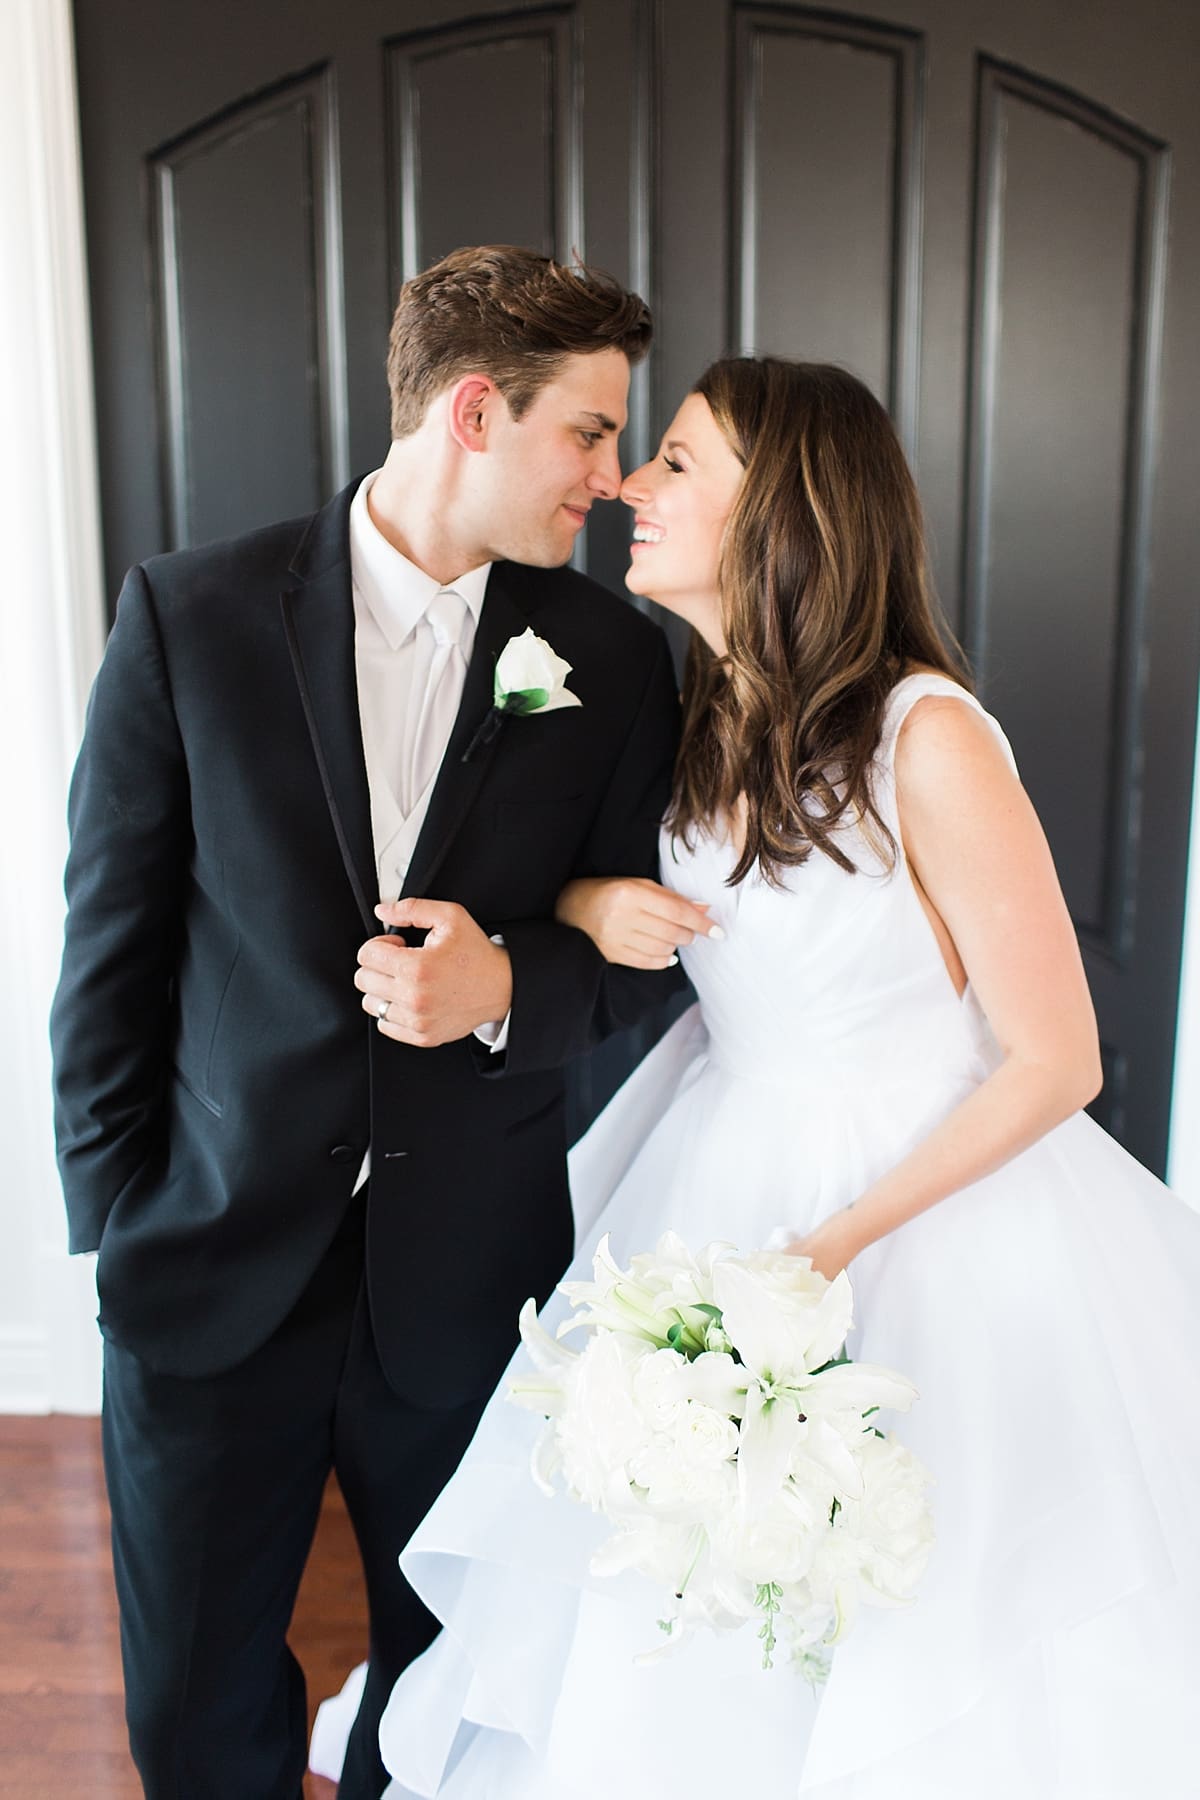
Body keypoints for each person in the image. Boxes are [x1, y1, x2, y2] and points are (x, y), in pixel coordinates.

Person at [353, 358, 1200, 1798]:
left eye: (676, 461)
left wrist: (833, 1250)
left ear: (789, 512)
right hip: (715, 1173)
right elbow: (651, 912)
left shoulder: (924, 739)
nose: (630, 485)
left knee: (916, 1636)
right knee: (683, 1613)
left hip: (925, 1215)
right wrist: (574, 912)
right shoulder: (695, 720)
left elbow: (1057, 1060)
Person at [49, 244, 686, 1800]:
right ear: (475, 411)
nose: (609, 477)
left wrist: (510, 988)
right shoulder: (190, 617)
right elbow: (109, 952)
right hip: (210, 1271)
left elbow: (659, 953)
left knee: (453, 1682)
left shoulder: (609, 657)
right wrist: (118, 1218)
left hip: (466, 1286)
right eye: (588, 433)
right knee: (193, 1711)